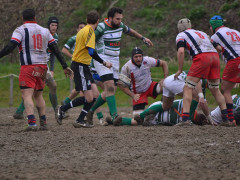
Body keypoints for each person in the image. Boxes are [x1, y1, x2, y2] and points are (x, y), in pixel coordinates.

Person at [0, 9, 73, 131]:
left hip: (28, 67)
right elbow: (55, 49)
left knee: (26, 94)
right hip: (43, 67)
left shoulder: (20, 29)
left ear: (23, 18)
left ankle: (32, 123)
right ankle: (43, 123)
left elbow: (11, 46)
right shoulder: (45, 31)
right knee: (38, 95)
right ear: (35, 18)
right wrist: (65, 66)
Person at [86, 7, 153, 126]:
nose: (120, 21)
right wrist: (90, 56)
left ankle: (91, 111)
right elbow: (89, 41)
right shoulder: (101, 27)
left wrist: (142, 38)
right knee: (110, 86)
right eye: (117, 19)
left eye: (121, 19)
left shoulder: (120, 26)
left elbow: (130, 31)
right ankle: (114, 116)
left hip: (115, 60)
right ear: (110, 18)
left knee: (110, 91)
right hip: (103, 59)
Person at [56, 10, 112, 128]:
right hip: (80, 65)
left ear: (87, 20)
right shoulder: (90, 32)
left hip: (84, 66)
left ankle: (78, 118)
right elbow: (91, 51)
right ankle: (65, 110)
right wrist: (104, 62)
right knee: (89, 97)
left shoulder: (82, 30)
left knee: (95, 95)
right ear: (97, 21)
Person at [173, 18, 229, 126]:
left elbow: (180, 51)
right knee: (215, 89)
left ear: (179, 28)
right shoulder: (202, 33)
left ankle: (185, 119)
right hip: (215, 57)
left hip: (201, 57)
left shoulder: (181, 35)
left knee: (188, 87)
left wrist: (180, 69)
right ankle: (226, 119)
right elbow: (219, 48)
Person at [12, 16, 61, 119]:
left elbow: (53, 54)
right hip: (35, 63)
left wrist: (51, 69)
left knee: (52, 86)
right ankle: (21, 111)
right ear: (48, 25)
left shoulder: (55, 36)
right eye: (52, 25)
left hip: (44, 65)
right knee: (32, 89)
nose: (54, 27)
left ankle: (57, 111)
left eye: (56, 25)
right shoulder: (43, 33)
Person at [209, 15, 240, 125]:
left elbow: (214, 53)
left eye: (210, 26)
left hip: (235, 61)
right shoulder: (235, 32)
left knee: (225, 90)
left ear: (213, 26)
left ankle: (231, 120)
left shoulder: (215, 36)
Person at [119, 47, 168, 115]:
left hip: (150, 86)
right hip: (138, 93)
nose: (138, 59)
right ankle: (122, 121)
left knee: (167, 85)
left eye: (140, 56)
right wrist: (133, 95)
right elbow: (121, 85)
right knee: (138, 119)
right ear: (132, 57)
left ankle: (165, 106)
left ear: (142, 56)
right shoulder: (127, 67)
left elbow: (164, 63)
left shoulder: (147, 60)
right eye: (136, 57)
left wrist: (165, 79)